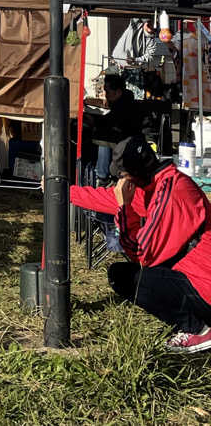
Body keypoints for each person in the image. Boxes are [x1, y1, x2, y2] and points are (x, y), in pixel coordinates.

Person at [71, 135, 211, 353]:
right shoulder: (158, 183)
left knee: (128, 277)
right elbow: (106, 199)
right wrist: (63, 192)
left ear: (131, 177)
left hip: (204, 284)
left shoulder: (172, 192)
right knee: (133, 272)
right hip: (198, 277)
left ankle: (199, 330)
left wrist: (124, 208)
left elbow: (142, 253)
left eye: (121, 178)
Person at [88, 73, 142, 184]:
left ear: (118, 92)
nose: (105, 94)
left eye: (107, 91)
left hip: (125, 143)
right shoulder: (124, 101)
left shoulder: (123, 106)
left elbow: (112, 121)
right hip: (125, 140)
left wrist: (95, 122)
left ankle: (102, 177)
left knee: (102, 140)